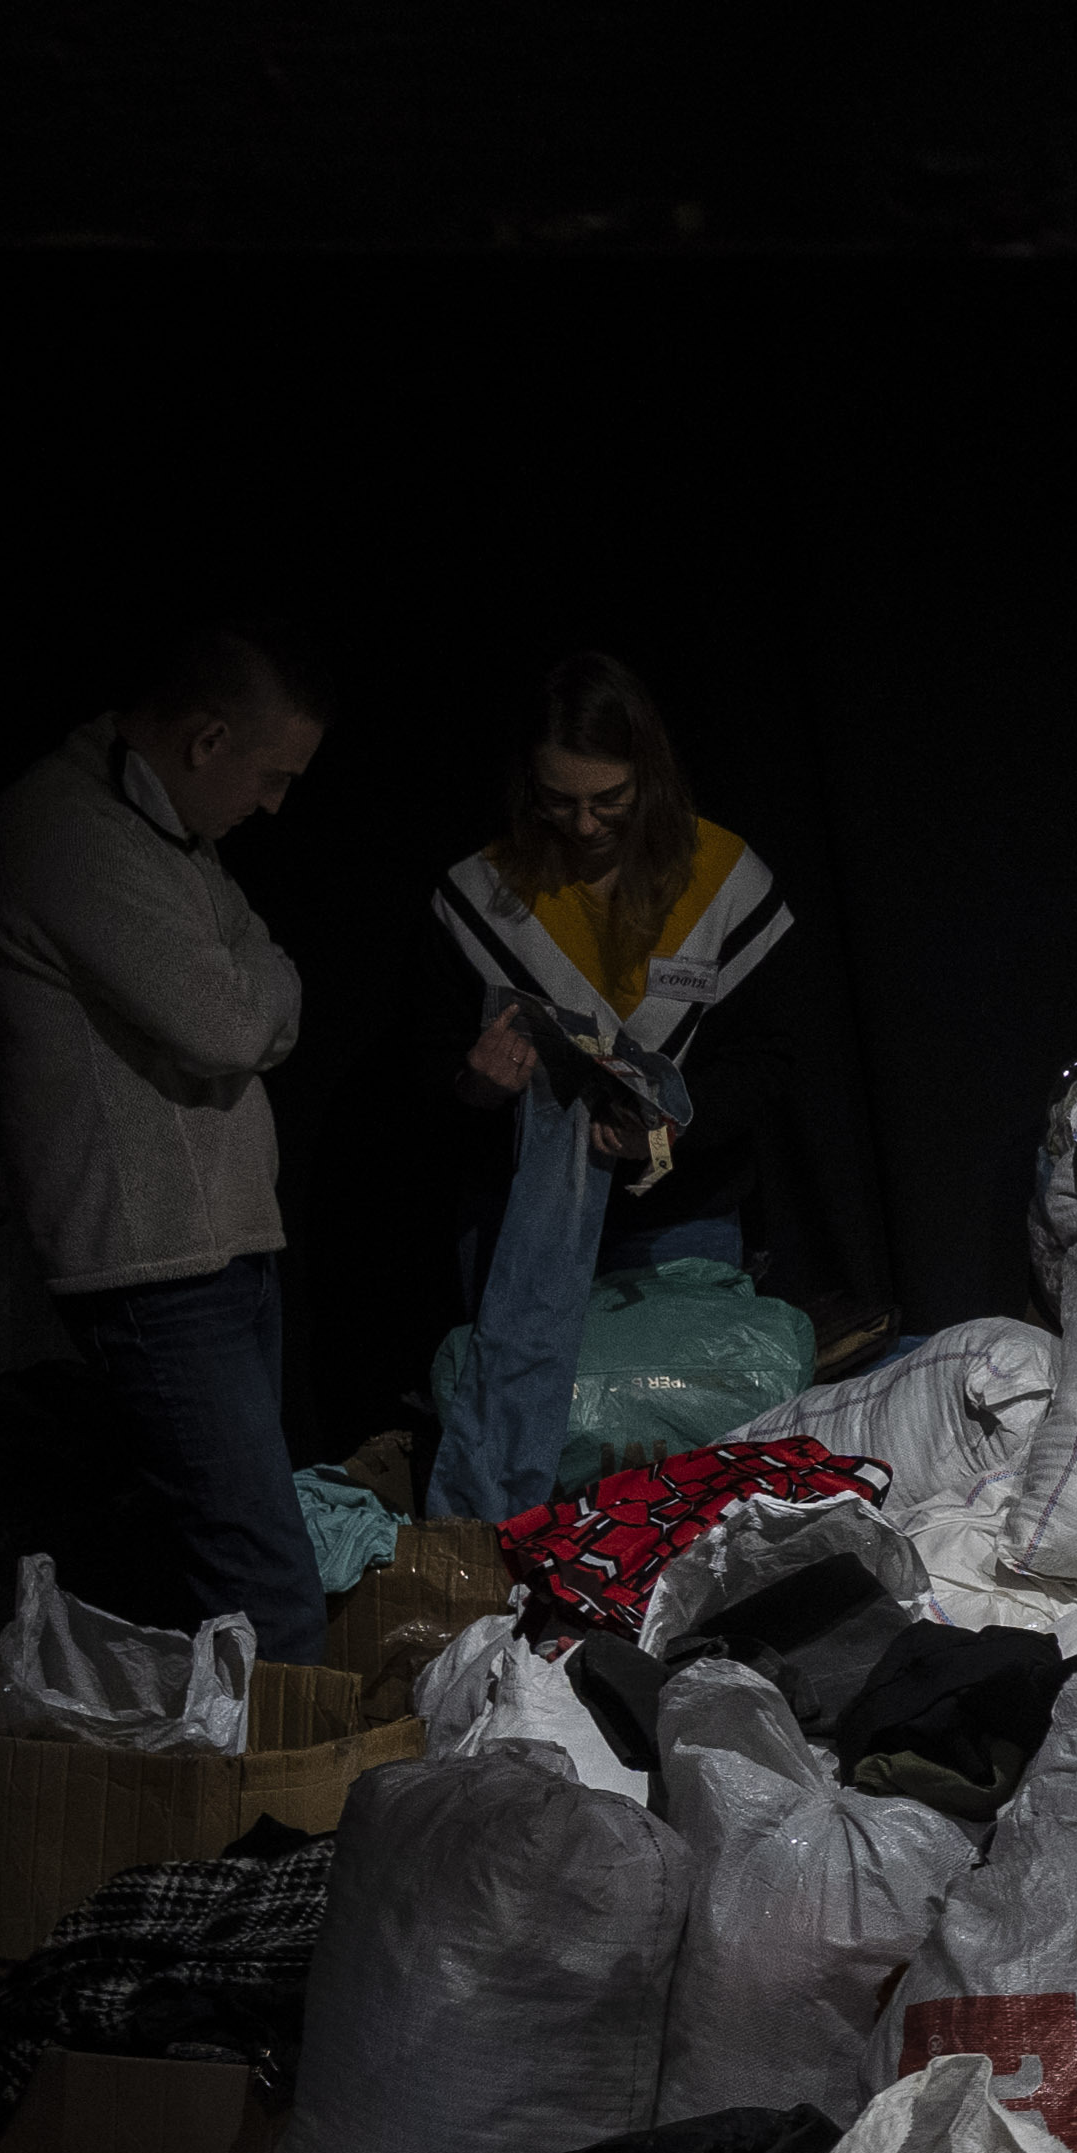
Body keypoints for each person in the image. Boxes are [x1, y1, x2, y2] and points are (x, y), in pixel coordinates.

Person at [0, 627, 335, 1661]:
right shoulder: (69, 830)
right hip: (158, 1269)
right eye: (269, 776)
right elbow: (231, 1022)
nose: (273, 804)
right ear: (208, 738)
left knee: (233, 1573)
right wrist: (249, 986)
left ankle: (236, 1803)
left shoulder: (161, 825)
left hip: (218, 1250)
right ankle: (284, 1822)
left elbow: (269, 974)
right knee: (266, 1585)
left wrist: (248, 981)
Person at [429, 650, 790, 1523]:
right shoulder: (486, 895)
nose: (585, 824)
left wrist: (662, 1132)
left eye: (609, 799)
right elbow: (430, 1085)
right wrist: (478, 1085)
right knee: (538, 1449)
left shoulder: (723, 879)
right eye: (559, 800)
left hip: (680, 1221)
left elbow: (767, 1065)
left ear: (650, 776)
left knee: (681, 1454)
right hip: (526, 1228)